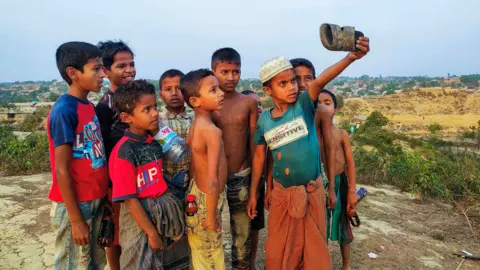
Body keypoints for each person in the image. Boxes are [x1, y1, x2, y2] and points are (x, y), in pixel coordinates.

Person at [247, 35, 370, 269]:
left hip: (313, 191)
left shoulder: (304, 106)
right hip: (283, 193)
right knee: (279, 248)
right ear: (267, 89)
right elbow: (261, 157)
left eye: (293, 81)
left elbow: (322, 79)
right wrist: (257, 192)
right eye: (283, 84)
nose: (292, 87)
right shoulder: (265, 121)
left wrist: (351, 57)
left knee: (314, 248)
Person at [108, 80, 185, 269]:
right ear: (127, 117)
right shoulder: (125, 152)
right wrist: (151, 233)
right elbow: (130, 200)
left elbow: (180, 152)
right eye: (147, 109)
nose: (155, 113)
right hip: (138, 218)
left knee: (161, 261)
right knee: (139, 262)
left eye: (155, 107)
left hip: (159, 213)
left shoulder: (152, 141)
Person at [48, 41, 108, 269]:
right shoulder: (65, 111)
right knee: (71, 264)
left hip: (94, 199)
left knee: (93, 263)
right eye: (96, 69)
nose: (103, 74)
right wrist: (75, 220)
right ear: (73, 73)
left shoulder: (87, 106)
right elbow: (61, 168)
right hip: (74, 204)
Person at [211, 48, 259, 270]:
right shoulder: (209, 103)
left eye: (236, 71)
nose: (231, 77)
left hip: (241, 174)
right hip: (215, 178)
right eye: (225, 71)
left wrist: (256, 185)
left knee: (242, 232)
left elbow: (253, 144)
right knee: (211, 229)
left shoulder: (247, 103)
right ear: (214, 71)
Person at [95, 39, 136, 270]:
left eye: (131, 63)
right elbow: (101, 150)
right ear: (106, 70)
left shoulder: (136, 101)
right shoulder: (104, 107)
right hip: (116, 182)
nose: (129, 69)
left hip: (138, 177)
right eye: (121, 66)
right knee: (115, 235)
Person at [181, 69, 227, 270]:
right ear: (195, 101)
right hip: (207, 197)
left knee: (201, 252)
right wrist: (210, 215)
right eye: (213, 90)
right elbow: (212, 178)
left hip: (197, 193)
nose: (221, 93)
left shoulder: (197, 123)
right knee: (211, 252)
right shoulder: (212, 131)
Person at [318, 89, 357, 270]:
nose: (323, 107)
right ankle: (321, 263)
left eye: (327, 103)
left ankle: (346, 265)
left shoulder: (341, 134)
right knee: (320, 226)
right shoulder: (313, 136)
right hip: (319, 184)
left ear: (335, 109)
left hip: (340, 183)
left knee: (343, 225)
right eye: (318, 103)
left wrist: (351, 192)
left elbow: (350, 163)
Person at [158, 69, 192, 270]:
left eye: (179, 88)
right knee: (170, 228)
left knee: (190, 227)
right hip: (167, 185)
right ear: (160, 94)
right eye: (168, 89)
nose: (174, 93)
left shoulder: (195, 118)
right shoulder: (157, 121)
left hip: (191, 183)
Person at [241, 90, 266, 269]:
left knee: (256, 225)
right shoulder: (239, 129)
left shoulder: (267, 127)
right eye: (252, 104)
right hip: (241, 179)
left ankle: (251, 263)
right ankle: (241, 261)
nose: (256, 108)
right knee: (241, 225)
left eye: (259, 104)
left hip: (260, 181)